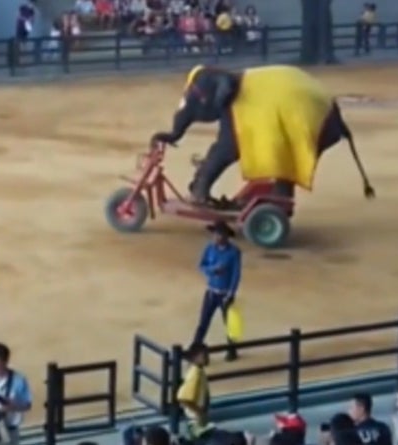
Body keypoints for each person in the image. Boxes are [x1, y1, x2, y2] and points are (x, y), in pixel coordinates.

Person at [151, 64, 375, 207]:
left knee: (226, 149)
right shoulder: (234, 93)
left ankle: (200, 191)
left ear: (220, 95)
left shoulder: (235, 98)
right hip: (311, 107)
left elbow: (226, 149)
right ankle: (280, 197)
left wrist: (201, 169)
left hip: (312, 115)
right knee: (278, 157)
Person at [192, 220, 241, 362]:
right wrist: (212, 270)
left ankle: (232, 350)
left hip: (225, 293)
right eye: (215, 234)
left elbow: (236, 274)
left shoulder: (234, 252)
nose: (217, 237)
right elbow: (201, 266)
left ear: (226, 236)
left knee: (230, 324)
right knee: (203, 322)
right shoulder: (209, 248)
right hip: (211, 292)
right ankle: (195, 349)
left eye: (220, 235)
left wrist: (231, 293)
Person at [177, 342, 213, 439]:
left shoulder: (199, 371)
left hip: (198, 418)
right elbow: (183, 398)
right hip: (195, 420)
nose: (208, 358)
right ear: (195, 357)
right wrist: (199, 412)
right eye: (205, 355)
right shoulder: (195, 374)